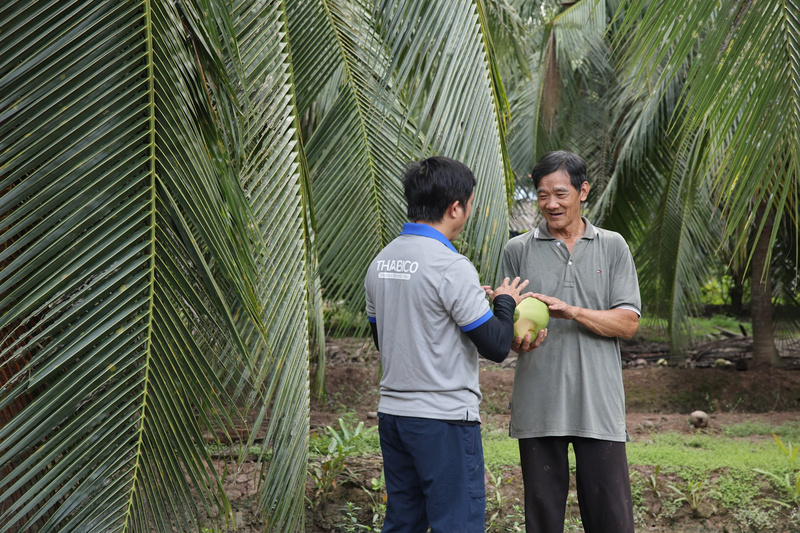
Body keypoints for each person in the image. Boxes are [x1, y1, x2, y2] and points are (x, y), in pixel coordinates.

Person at [364, 156, 546, 532]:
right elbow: (496, 347)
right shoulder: (450, 265)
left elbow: (387, 339)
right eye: (470, 205)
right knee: (457, 522)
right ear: (456, 207)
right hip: (443, 419)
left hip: (394, 416)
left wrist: (466, 306)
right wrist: (505, 300)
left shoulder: (381, 261)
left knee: (404, 520)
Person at [499, 151, 641, 533]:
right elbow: (508, 332)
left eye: (560, 194)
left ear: (583, 191)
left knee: (611, 520)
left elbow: (628, 323)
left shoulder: (613, 246)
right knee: (542, 522)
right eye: (542, 195)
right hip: (538, 407)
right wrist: (515, 338)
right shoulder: (517, 250)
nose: (550, 204)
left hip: (599, 406)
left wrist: (573, 311)